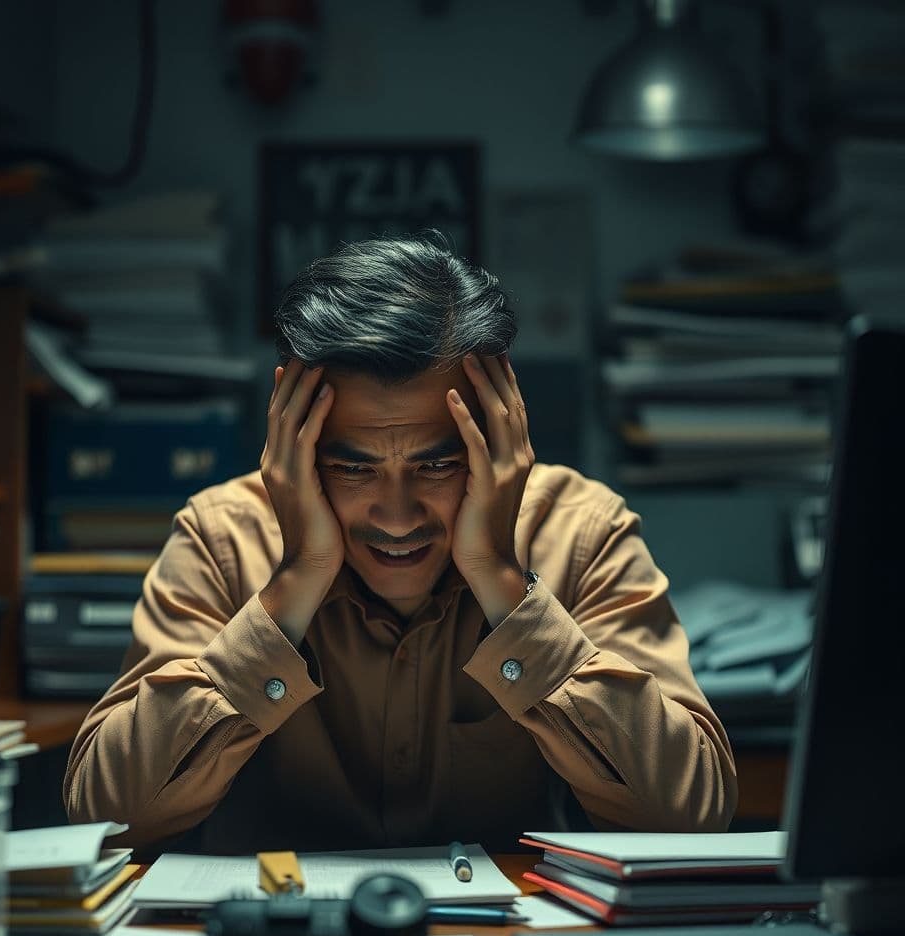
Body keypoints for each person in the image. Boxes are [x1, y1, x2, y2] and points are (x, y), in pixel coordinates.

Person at [63, 233, 737, 855]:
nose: (395, 515)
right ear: (293, 439)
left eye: (438, 464)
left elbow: (691, 815)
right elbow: (105, 812)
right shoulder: (222, 537)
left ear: (500, 430)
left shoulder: (582, 532)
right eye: (354, 466)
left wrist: (501, 579)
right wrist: (296, 581)